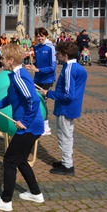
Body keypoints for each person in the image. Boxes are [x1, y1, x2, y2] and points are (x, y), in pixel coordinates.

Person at [0, 44, 45, 211]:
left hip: (29, 127)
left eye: (2, 57)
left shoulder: (19, 76)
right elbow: (8, 99)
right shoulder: (16, 75)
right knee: (20, 160)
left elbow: (34, 100)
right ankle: (36, 194)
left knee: (9, 160)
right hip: (32, 127)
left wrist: (25, 120)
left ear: (10, 60)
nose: (0, 60)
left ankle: (6, 201)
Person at [38, 42, 87, 176]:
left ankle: (67, 165)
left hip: (66, 107)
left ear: (65, 55)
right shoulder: (76, 67)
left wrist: (48, 93)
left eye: (58, 54)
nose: (56, 55)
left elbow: (67, 95)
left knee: (64, 136)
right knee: (67, 135)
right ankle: (66, 161)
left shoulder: (70, 69)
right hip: (71, 107)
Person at [25, 27, 56, 135]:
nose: (40, 38)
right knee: (34, 99)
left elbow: (52, 67)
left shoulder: (50, 47)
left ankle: (46, 125)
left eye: (41, 36)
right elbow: (38, 62)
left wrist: (38, 69)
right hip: (37, 78)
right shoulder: (37, 47)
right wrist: (32, 66)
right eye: (38, 36)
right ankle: (36, 121)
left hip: (48, 79)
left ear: (45, 36)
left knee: (43, 101)